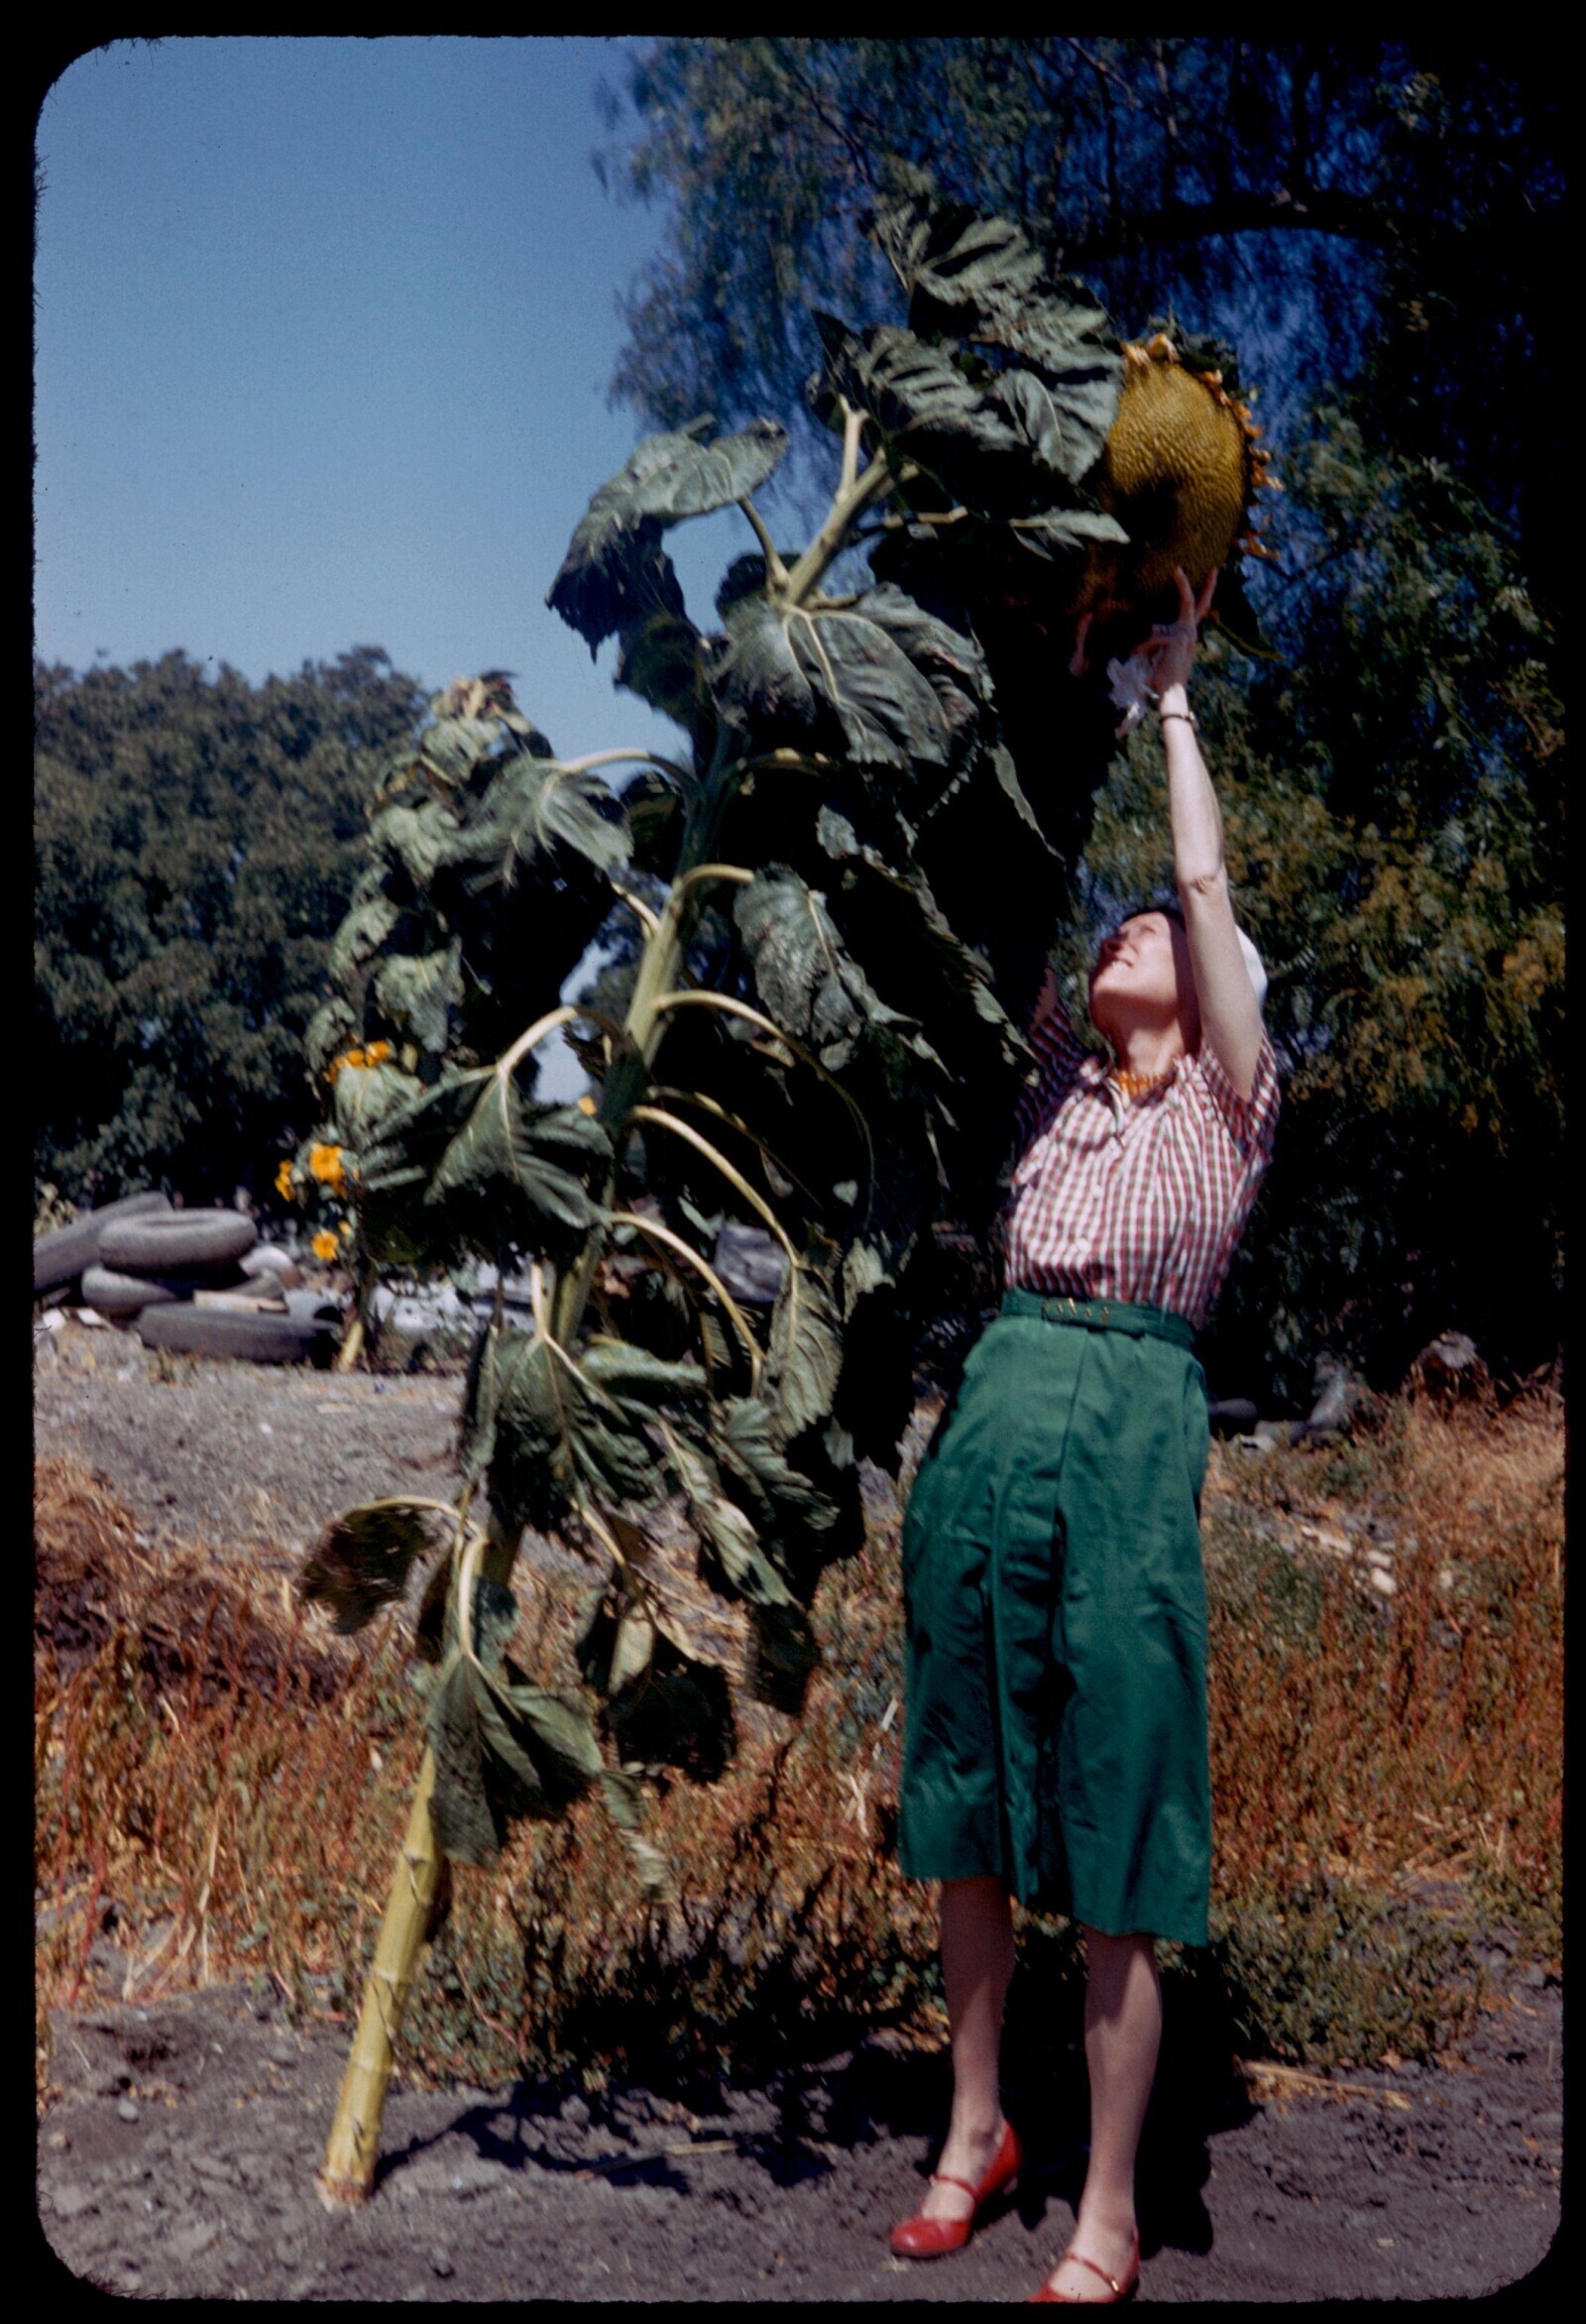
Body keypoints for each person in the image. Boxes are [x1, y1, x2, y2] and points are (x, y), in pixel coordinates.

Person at [888, 568, 1280, 2302]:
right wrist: (1070, 703)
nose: (1135, 931)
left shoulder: (1229, 1097)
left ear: (1209, 994)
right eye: (1118, 934)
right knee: (966, 1793)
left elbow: (1193, 876)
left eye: (1162, 941)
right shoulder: (1050, 1075)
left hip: (1129, 1422)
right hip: (998, 1403)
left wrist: (1174, 695)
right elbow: (1020, 896)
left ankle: (1112, 2201)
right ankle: (977, 2131)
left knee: (1119, 1802)